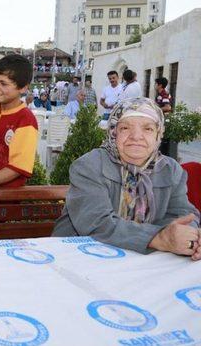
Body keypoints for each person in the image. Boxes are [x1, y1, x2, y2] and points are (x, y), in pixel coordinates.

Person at [53, 98, 201, 259]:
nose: (136, 136)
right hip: (80, 257)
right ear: (113, 132)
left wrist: (190, 237)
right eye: (125, 128)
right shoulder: (89, 165)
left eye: (148, 129)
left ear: (159, 134)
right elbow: (96, 222)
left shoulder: (171, 170)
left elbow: (183, 214)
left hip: (143, 262)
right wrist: (158, 237)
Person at [0, 55, 38, 187]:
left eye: (3, 83)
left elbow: (17, 168)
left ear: (23, 88)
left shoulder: (26, 119)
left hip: (6, 196)